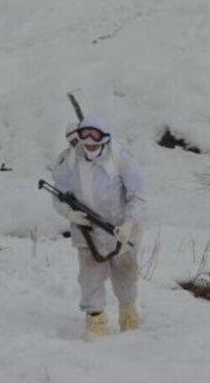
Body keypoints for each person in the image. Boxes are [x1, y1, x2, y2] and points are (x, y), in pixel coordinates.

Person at [51, 115, 145, 339]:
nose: (89, 143)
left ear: (105, 138)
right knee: (89, 276)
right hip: (86, 227)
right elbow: (58, 194)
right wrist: (69, 213)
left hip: (121, 226)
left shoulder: (121, 157)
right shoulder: (70, 161)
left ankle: (128, 313)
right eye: (85, 138)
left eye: (95, 138)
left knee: (125, 273)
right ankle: (96, 319)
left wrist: (129, 223)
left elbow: (138, 195)